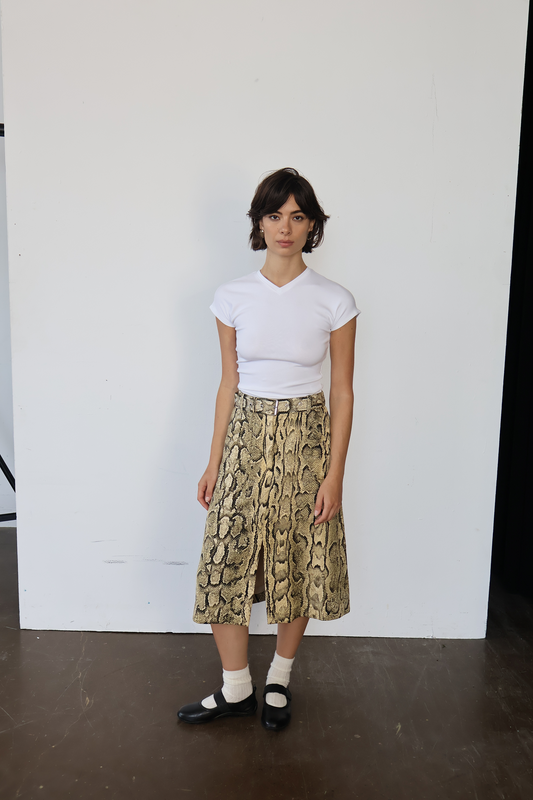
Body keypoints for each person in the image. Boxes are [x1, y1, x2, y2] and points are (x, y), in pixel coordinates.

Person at [178, 167, 360, 732]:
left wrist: (334, 476)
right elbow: (228, 382)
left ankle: (279, 677)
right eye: (275, 215)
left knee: (297, 558)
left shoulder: (335, 300)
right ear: (260, 223)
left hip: (306, 438)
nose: (286, 227)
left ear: (312, 226)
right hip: (244, 437)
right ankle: (236, 687)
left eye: (298, 216)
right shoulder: (231, 297)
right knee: (224, 558)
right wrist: (214, 462)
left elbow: (343, 391)